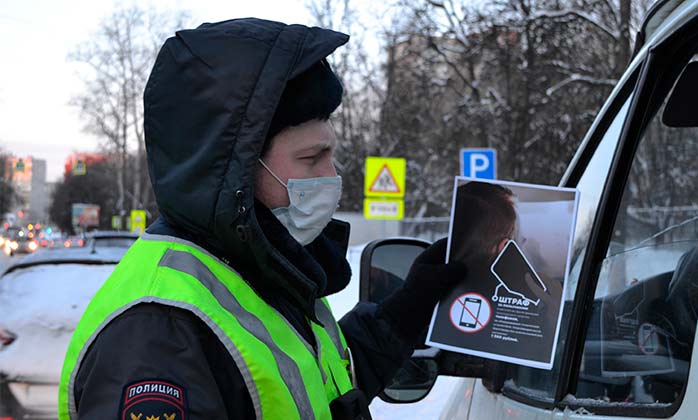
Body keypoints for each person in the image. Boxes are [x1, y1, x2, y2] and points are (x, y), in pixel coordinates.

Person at [57, 19, 465, 420]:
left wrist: (405, 311)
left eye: (329, 154)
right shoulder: (159, 334)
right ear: (233, 171)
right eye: (311, 158)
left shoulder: (258, 268)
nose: (332, 175)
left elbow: (324, 391)